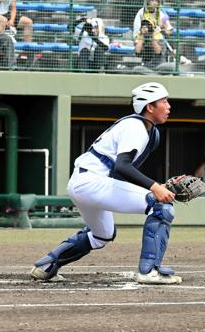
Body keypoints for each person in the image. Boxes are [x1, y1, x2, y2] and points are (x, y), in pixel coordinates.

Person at [30, 82, 183, 284]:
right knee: (161, 206)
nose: (169, 106)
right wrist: (154, 187)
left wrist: (157, 186)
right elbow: (122, 167)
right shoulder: (135, 126)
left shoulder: (147, 130)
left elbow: (123, 171)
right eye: (164, 101)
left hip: (84, 183)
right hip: (93, 182)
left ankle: (46, 266)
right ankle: (149, 271)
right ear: (149, 107)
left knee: (102, 234)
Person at [132, 0, 175, 74]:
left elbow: (168, 26)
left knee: (169, 66)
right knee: (137, 69)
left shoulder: (161, 12)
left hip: (157, 39)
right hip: (144, 42)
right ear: (147, 2)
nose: (154, 2)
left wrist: (164, 28)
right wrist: (142, 34)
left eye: (156, 0)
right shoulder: (141, 13)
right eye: (152, 0)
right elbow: (137, 50)